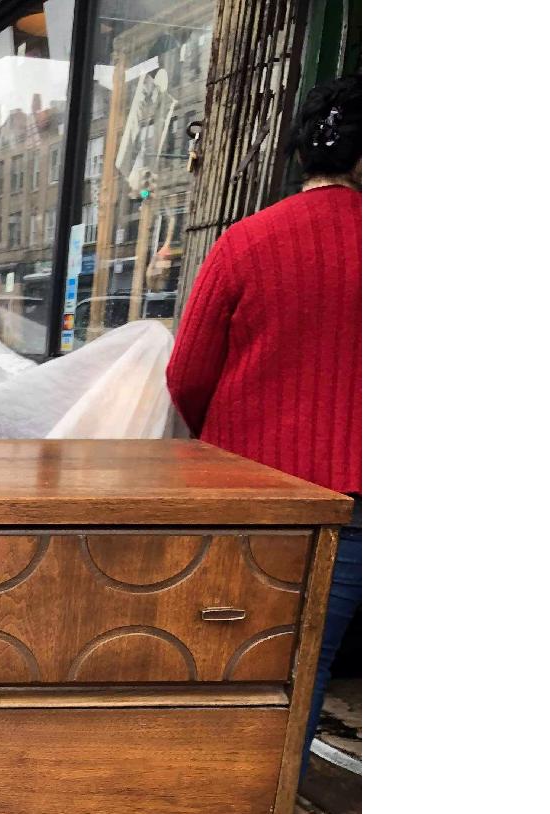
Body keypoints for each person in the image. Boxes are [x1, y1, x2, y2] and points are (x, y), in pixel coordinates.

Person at [166, 74, 361, 765]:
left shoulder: (243, 243)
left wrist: (229, 443)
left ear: (301, 154)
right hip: (353, 496)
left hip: (246, 489)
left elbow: (187, 374)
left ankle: (204, 796)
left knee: (221, 650)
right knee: (306, 665)